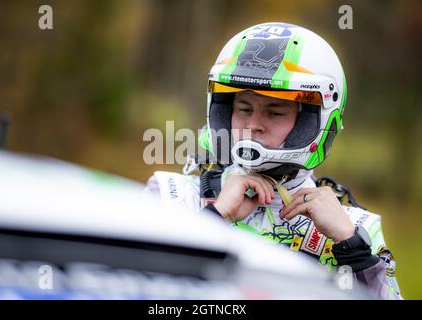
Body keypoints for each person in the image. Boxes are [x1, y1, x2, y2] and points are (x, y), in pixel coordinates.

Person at [145, 22, 402, 300]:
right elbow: (136, 288)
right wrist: (215, 217)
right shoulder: (173, 196)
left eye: (275, 112)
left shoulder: (355, 228)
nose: (253, 125)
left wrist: (352, 250)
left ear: (312, 121)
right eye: (243, 108)